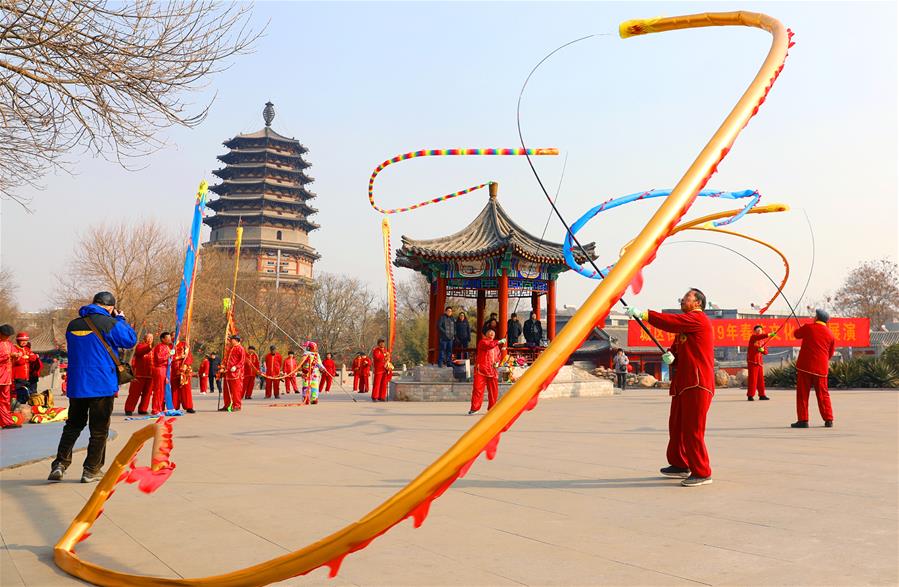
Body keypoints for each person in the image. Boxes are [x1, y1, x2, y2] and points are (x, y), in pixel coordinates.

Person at [627, 287, 715, 487]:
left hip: (698, 383)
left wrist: (645, 314)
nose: (682, 301)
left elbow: (672, 322)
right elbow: (677, 351)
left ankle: (702, 471)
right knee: (676, 426)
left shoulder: (698, 319)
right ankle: (679, 463)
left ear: (698, 303)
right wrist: (672, 357)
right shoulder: (686, 327)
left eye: (686, 298)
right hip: (684, 383)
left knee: (693, 429)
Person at [49, 292, 137, 483]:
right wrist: (120, 319)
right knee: (98, 430)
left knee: (72, 425)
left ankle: (59, 464)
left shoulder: (74, 324)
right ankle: (91, 470)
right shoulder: (109, 323)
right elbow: (130, 340)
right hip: (101, 384)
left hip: (78, 384)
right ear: (110, 307)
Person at [792, 309, 836, 428]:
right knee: (823, 394)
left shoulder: (809, 327)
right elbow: (830, 353)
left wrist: (801, 328)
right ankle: (828, 419)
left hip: (805, 366)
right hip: (821, 368)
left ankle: (803, 420)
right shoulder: (830, 334)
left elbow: (796, 334)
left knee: (802, 394)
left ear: (816, 318)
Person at [469, 329, 506, 414]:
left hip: (492, 370)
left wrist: (497, 363)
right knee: (478, 389)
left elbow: (498, 357)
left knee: (494, 391)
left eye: (493, 333)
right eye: (490, 332)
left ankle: (492, 408)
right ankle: (474, 408)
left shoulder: (496, 346)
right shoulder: (483, 342)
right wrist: (499, 341)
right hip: (481, 369)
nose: (492, 334)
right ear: (486, 334)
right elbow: (489, 345)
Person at [124, 333, 153, 415]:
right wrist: (149, 347)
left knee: (147, 394)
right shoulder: (140, 346)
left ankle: (143, 409)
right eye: (149, 337)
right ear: (145, 338)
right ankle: (129, 409)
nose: (150, 339)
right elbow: (141, 352)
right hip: (139, 374)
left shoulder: (153, 349)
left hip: (150, 375)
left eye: (152, 338)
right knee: (134, 393)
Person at [0, 324, 22, 429]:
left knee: (5, 399)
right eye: (5, 335)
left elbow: (15, 354)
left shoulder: (9, 344)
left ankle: (6, 421)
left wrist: (17, 355)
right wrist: (8, 356)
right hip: (1, 375)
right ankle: (6, 421)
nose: (7, 337)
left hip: (6, 376)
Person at [746, 325, 774, 401]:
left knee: (761, 380)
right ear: (754, 331)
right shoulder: (753, 338)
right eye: (757, 330)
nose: (759, 331)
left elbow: (766, 352)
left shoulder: (762, 341)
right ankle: (750, 395)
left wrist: (763, 350)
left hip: (759, 363)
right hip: (752, 362)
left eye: (760, 330)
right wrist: (768, 334)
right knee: (753, 380)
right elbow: (759, 337)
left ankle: (762, 395)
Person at [149, 332, 173, 414]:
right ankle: (155, 409)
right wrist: (169, 355)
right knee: (158, 390)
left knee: (163, 390)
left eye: (170, 337)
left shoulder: (166, 347)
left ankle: (160, 408)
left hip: (165, 370)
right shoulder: (159, 347)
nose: (170, 339)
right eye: (168, 338)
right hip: (159, 369)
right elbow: (159, 359)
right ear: (163, 339)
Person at [221, 334, 245, 411]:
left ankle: (237, 405)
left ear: (236, 340)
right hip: (227, 372)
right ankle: (227, 405)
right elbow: (226, 359)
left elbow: (242, 361)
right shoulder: (230, 348)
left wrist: (236, 367)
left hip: (235, 373)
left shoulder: (240, 348)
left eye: (232, 339)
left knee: (236, 391)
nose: (231, 340)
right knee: (226, 391)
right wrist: (223, 367)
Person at [12, 332, 38, 404]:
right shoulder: (15, 349)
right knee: (19, 394)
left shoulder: (26, 349)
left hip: (26, 376)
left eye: (25, 341)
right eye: (22, 341)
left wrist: (26, 357)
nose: (24, 342)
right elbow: (19, 362)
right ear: (18, 341)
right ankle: (17, 409)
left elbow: (34, 357)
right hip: (17, 376)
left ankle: (21, 407)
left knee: (25, 394)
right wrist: (26, 358)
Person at [171, 340, 194, 413]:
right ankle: (175, 407)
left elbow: (189, 356)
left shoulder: (184, 344)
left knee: (186, 388)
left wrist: (186, 364)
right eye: (172, 336)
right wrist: (179, 357)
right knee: (175, 389)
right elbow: (169, 358)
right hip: (174, 370)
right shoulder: (170, 346)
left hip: (184, 370)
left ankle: (189, 406)